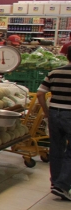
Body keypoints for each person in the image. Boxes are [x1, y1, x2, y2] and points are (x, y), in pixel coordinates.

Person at [38, 61, 71, 201]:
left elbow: (40, 94)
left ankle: (56, 182)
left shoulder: (55, 72)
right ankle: (62, 185)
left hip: (54, 114)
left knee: (56, 148)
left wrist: (46, 111)